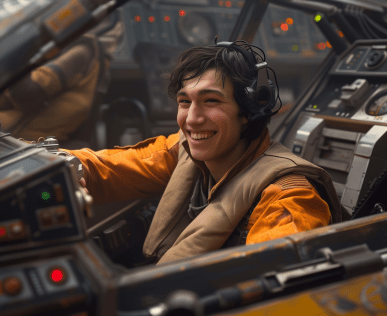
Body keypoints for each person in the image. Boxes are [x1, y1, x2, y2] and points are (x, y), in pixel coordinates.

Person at [69, 40, 348, 265]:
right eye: (184, 102)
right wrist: (58, 167)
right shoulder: (184, 152)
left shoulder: (290, 196)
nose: (191, 119)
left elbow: (272, 284)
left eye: (211, 101)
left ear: (248, 112)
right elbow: (104, 168)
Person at [0, 13, 123, 146]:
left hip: (18, 142)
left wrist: (16, 54)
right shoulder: (98, 63)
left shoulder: (83, 52)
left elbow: (26, 94)